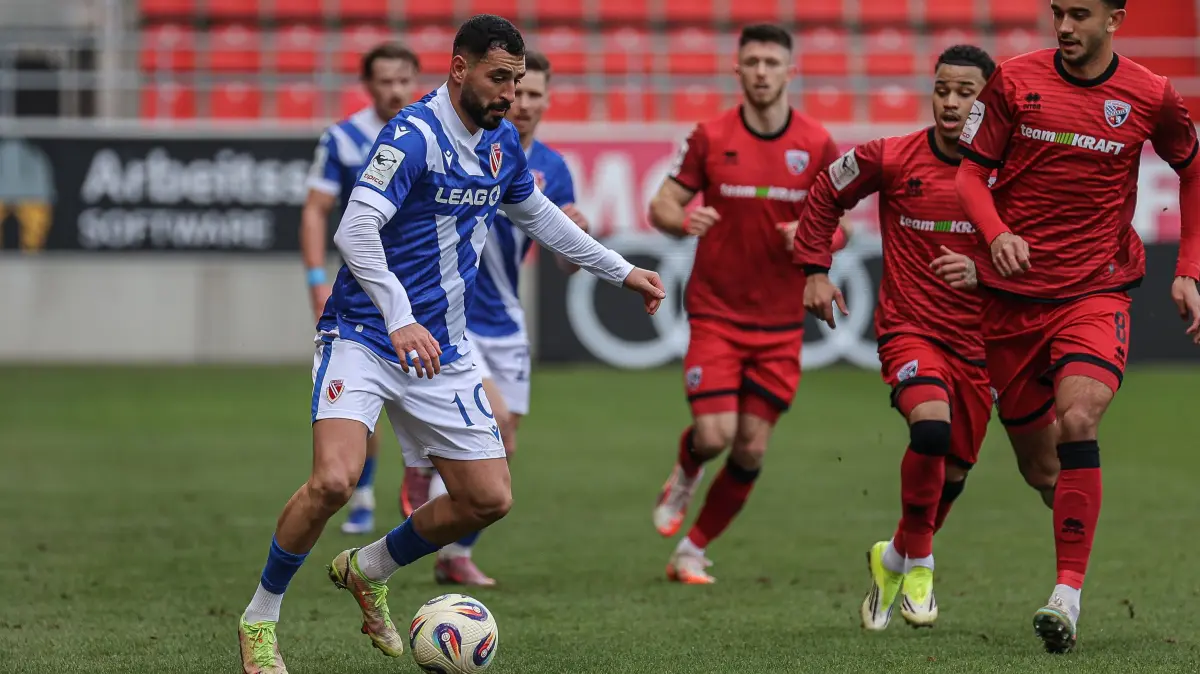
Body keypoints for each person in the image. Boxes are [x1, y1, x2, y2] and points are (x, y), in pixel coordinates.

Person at [237, 15, 666, 673]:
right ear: (459, 69)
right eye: (500, 79)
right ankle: (260, 619)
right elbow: (354, 230)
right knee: (332, 481)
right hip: (364, 334)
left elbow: (540, 217)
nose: (511, 95)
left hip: (442, 348)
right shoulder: (411, 136)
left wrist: (621, 270)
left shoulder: (501, 143)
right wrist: (400, 316)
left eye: (518, 81)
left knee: (489, 499)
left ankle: (368, 568)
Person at [955, 0, 1200, 653]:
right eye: (1058, 12)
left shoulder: (1151, 95)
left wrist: (1189, 268)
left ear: (1114, 19)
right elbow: (970, 174)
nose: (1064, 27)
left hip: (1096, 289)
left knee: (1080, 419)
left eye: (1080, 15)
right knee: (1043, 469)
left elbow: (1192, 169)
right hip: (1010, 299)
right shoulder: (1013, 80)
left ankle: (1066, 593)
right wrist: (996, 233)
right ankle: (1070, 521)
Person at [794, 45, 1000, 630]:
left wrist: (987, 273)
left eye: (965, 93)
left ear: (989, 103)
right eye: (942, 90)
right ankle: (922, 565)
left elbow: (1040, 248)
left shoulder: (1012, 171)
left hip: (983, 344)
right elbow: (826, 191)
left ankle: (893, 560)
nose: (950, 103)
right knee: (930, 428)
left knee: (952, 474)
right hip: (911, 329)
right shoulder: (889, 156)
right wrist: (815, 269)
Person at [647, 23, 848, 585]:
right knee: (715, 435)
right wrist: (684, 220)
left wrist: (814, 235)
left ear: (790, 71)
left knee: (752, 449)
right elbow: (662, 204)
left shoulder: (817, 142)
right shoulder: (710, 136)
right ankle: (686, 470)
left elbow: (844, 228)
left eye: (771, 62)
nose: (762, 72)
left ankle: (692, 550)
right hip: (716, 311)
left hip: (781, 322)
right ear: (738, 70)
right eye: (752, 62)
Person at [422, 49, 593, 586]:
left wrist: (577, 234)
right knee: (491, 420)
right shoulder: (464, 147)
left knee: (507, 443)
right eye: (518, 90)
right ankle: (421, 507)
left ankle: (453, 553)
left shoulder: (553, 169)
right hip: (456, 316)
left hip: (506, 318)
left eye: (536, 93)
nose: (524, 102)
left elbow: (566, 262)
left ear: (546, 100)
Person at [300, 42, 429, 535]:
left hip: (428, 288)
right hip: (366, 291)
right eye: (385, 81)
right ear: (368, 85)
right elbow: (316, 211)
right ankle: (365, 492)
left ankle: (421, 478)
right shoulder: (344, 139)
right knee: (362, 397)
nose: (395, 90)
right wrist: (316, 279)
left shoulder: (432, 134)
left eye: (403, 80)